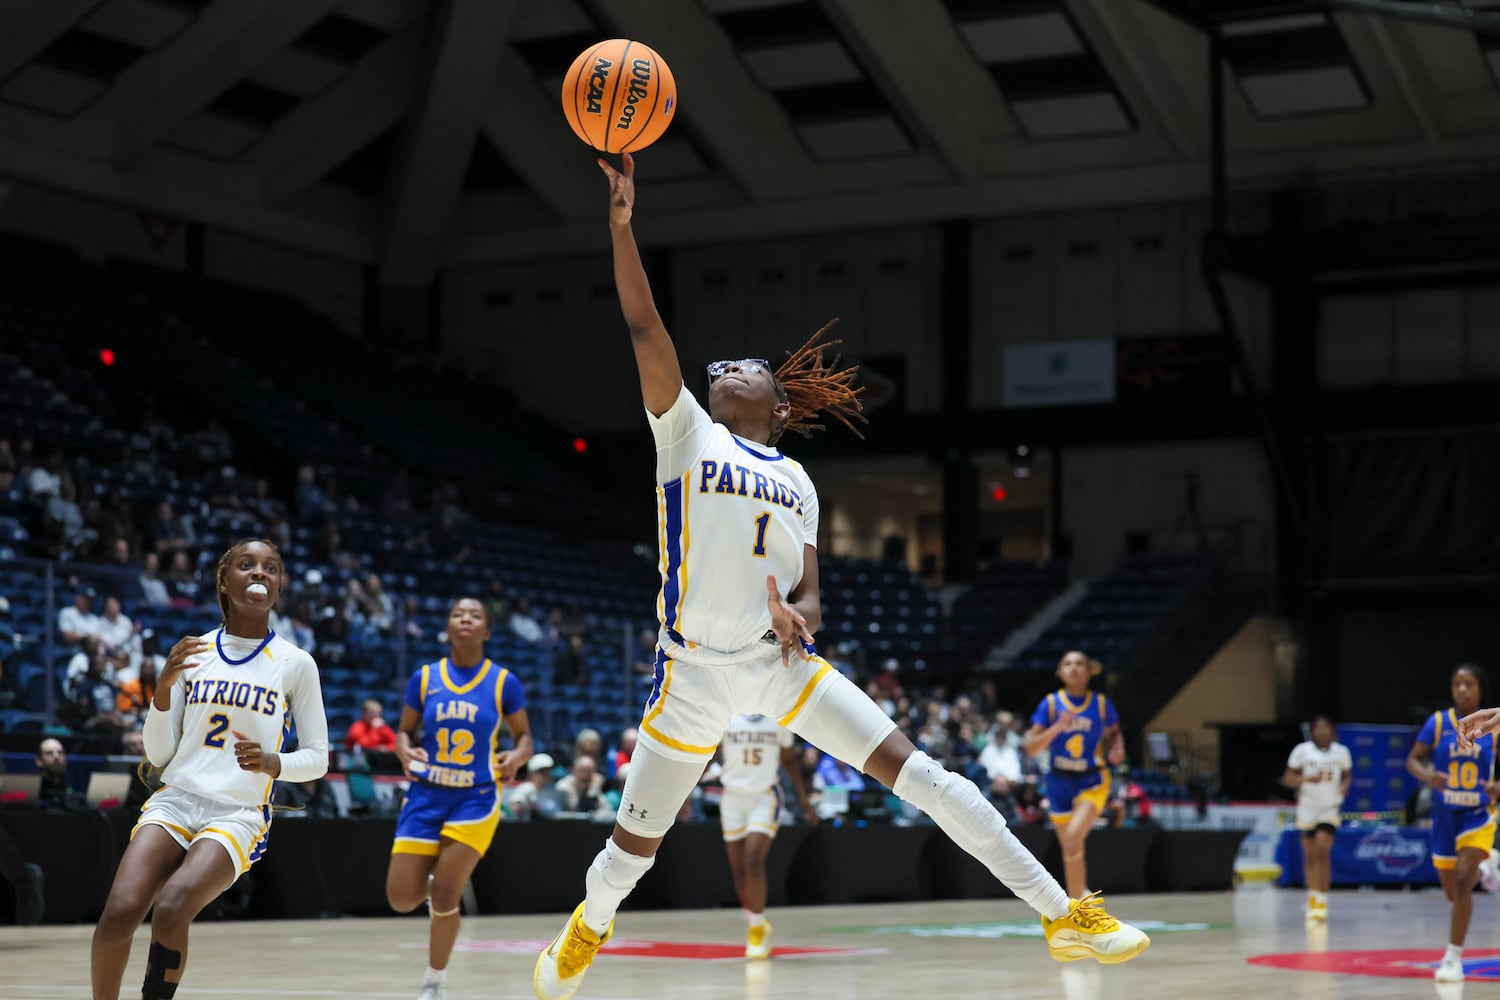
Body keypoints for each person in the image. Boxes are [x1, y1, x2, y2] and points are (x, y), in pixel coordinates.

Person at [531, 154, 1149, 1000]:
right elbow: (644, 328)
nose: (726, 366)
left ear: (776, 406)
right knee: (628, 853)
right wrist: (620, 225)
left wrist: (800, 616)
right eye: (722, 366)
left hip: (777, 666)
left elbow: (813, 592)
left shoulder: (800, 484)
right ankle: (589, 925)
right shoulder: (685, 434)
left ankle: (1062, 914)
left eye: (745, 367)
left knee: (930, 778)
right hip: (690, 677)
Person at [91, 538, 329, 1000]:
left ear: (279, 587)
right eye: (247, 565)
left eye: (271, 568)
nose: (260, 573)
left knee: (172, 908)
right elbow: (159, 754)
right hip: (176, 798)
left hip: (237, 812)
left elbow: (318, 758)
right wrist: (163, 688)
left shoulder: (296, 664)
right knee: (119, 912)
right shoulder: (193, 652)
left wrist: (272, 762)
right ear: (225, 581)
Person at [389, 597, 532, 1000]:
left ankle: (434, 982)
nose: (465, 619)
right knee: (401, 899)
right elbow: (404, 732)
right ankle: (434, 874)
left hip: (477, 796)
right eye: (457, 614)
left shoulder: (504, 682)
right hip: (427, 793)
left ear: (486, 631)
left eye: (475, 616)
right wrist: (403, 750)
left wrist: (517, 757)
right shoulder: (423, 678)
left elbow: (524, 737)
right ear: (448, 628)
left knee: (446, 893)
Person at [1407, 664, 1500, 983]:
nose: (1461, 690)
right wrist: (1427, 775)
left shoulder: (1493, 724)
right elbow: (1413, 759)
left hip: (1478, 814)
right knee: (1453, 892)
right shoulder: (1437, 722)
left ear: (1480, 689)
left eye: (1468, 684)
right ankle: (1488, 867)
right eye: (1456, 684)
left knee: (1463, 881)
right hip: (1445, 815)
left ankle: (1452, 958)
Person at [1024, 651, 1126, 901]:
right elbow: (1031, 747)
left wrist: (1117, 746)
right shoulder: (1050, 704)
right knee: (1071, 848)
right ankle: (1079, 903)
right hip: (1058, 781)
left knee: (1071, 839)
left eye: (1079, 663)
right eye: (1067, 664)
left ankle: (1079, 898)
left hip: (1092, 779)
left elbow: (1114, 731)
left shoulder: (1101, 704)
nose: (1073, 668)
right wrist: (1057, 727)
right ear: (1060, 671)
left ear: (1089, 671)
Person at [714, 714, 815, 958]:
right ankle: (755, 920)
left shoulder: (778, 719)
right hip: (732, 797)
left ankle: (757, 929)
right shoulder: (727, 716)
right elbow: (707, 756)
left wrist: (803, 799)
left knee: (752, 861)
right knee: (738, 871)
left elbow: (789, 760)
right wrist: (685, 792)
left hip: (764, 796)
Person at [1280, 714, 1352, 924]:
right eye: (1318, 727)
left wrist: (1344, 787)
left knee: (1322, 849)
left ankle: (1322, 899)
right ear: (1312, 731)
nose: (1322, 731)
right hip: (1307, 808)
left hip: (1329, 807)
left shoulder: (1341, 752)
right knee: (1310, 855)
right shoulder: (1302, 751)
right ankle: (1312, 895)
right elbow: (1287, 778)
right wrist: (1305, 779)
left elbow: (1347, 775)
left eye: (1326, 727)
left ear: (1332, 730)